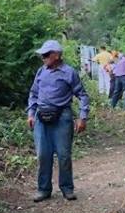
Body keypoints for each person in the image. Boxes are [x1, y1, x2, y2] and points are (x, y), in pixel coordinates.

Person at [27, 40, 91, 202]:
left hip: (62, 117)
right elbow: (33, 94)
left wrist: (82, 117)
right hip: (41, 117)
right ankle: (43, 189)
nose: (43, 58)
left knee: (63, 155)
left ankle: (67, 188)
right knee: (43, 154)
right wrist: (31, 113)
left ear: (56, 55)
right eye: (42, 55)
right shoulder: (41, 72)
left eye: (46, 55)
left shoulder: (69, 72)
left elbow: (82, 95)